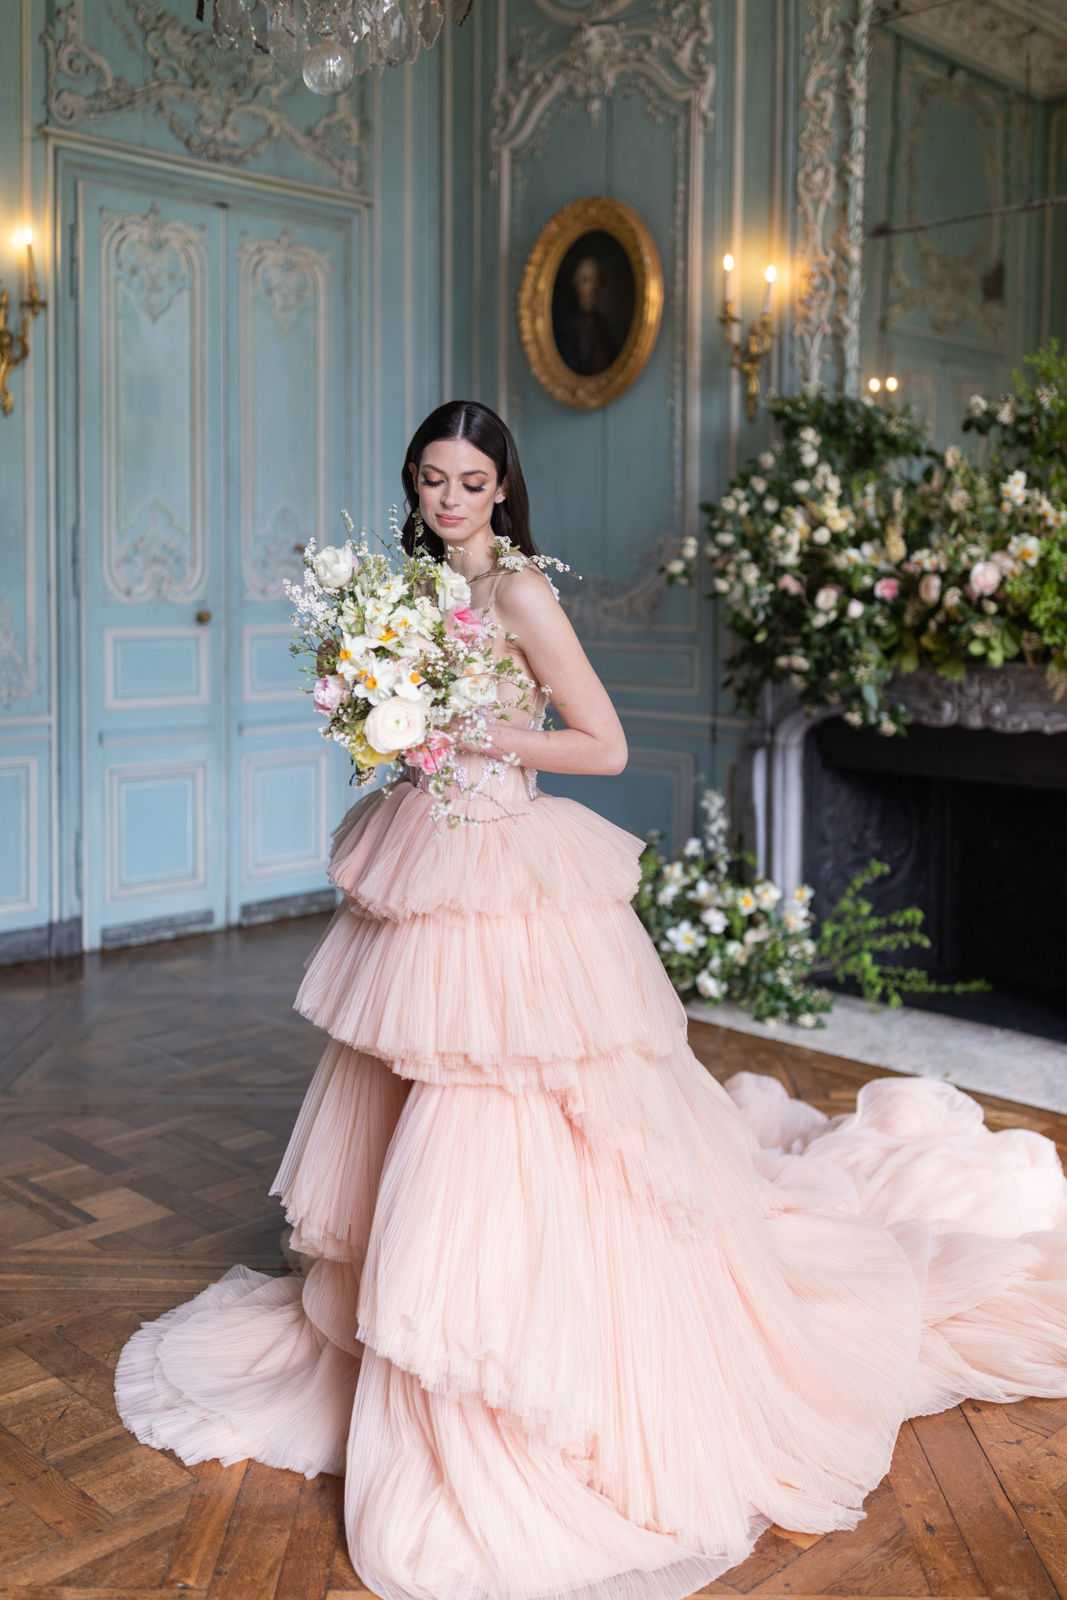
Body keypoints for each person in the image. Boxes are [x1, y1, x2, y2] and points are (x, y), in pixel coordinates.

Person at [115, 399, 1067, 1600]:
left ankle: (495, 1342)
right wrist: (388, 719)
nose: (447, 499)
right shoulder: (405, 591)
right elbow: (393, 714)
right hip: (426, 854)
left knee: (503, 1102)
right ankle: (409, 1304)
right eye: (429, 479)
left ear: (504, 488)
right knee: (401, 1083)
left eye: (469, 481)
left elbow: (603, 743)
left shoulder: (521, 594)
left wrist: (477, 729)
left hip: (507, 863)